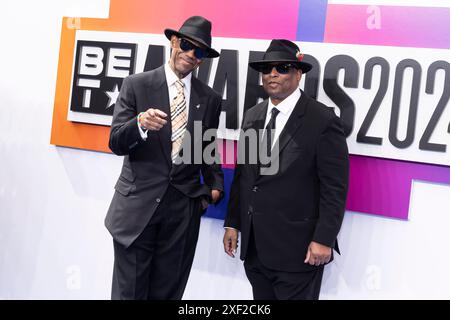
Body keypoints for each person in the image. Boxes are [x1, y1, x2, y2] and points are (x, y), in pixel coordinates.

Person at [105, 16, 224, 300]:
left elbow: (206, 147)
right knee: (129, 294)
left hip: (182, 212)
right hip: (138, 209)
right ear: (173, 42)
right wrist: (140, 124)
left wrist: (213, 187)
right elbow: (116, 141)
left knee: (168, 293)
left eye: (200, 51)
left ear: (204, 59)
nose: (191, 54)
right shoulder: (137, 85)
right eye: (186, 45)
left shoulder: (210, 99)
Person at [223, 39, 349, 300]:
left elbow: (334, 188)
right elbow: (244, 176)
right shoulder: (252, 115)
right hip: (256, 249)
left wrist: (324, 239)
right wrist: (233, 223)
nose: (272, 74)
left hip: (299, 252)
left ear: (298, 74)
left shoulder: (322, 120)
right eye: (267, 68)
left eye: (282, 68)